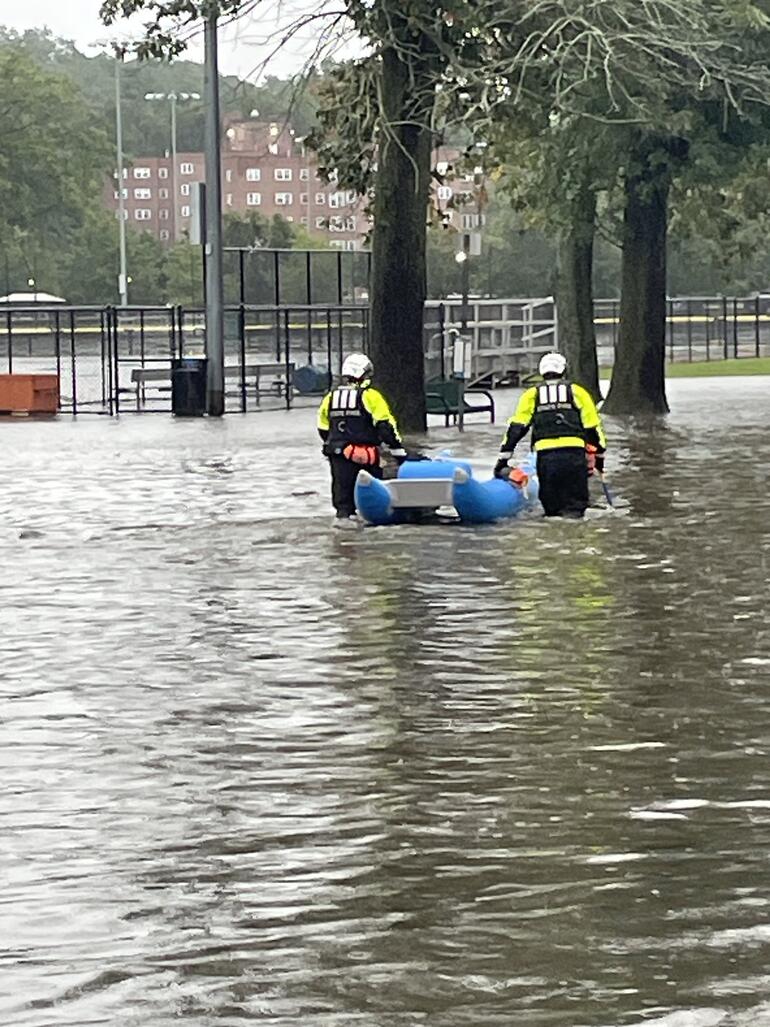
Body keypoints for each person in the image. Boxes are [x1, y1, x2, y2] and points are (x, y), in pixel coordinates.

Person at [493, 352, 607, 519]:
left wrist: (502, 460)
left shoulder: (531, 395)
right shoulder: (578, 392)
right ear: (564, 370)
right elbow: (593, 429)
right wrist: (599, 460)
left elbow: (516, 429)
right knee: (575, 510)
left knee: (551, 509)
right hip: (574, 458)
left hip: (547, 459)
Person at [317, 353, 408, 520]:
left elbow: (323, 428)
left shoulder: (330, 398)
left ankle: (344, 531)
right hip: (367, 456)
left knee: (343, 502)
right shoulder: (371, 396)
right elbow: (385, 426)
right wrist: (397, 449)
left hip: (338, 454)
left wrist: (339, 443)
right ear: (363, 374)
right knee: (372, 496)